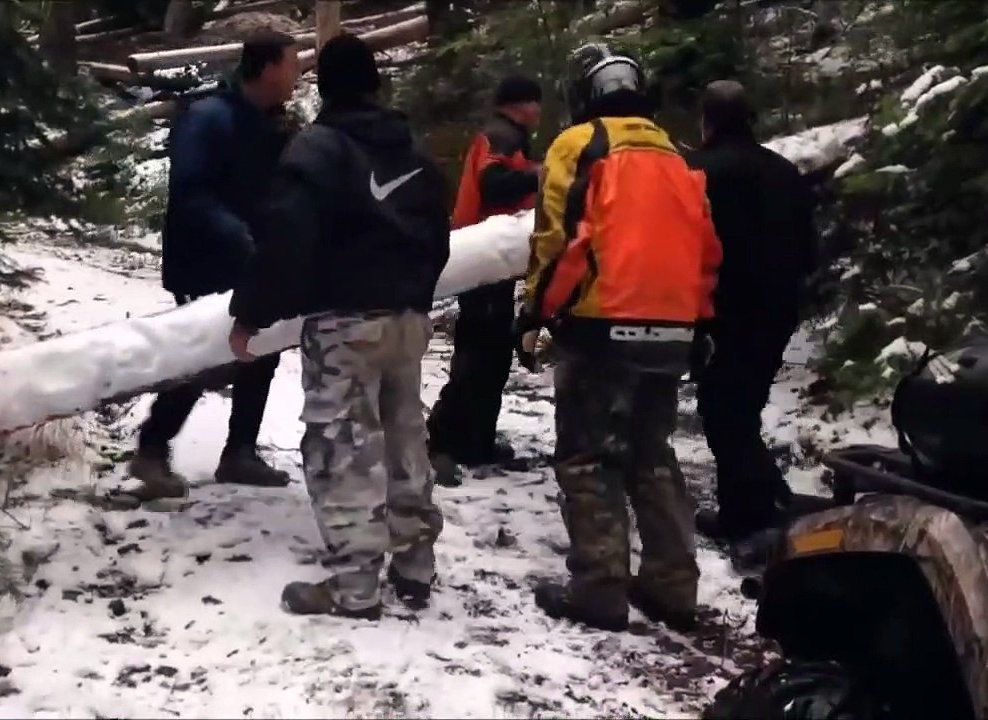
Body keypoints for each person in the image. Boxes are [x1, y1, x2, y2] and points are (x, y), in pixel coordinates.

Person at [227, 34, 452, 619]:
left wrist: (250, 314)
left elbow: (285, 240)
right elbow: (438, 238)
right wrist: (416, 300)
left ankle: (355, 585)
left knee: (343, 449)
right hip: (407, 319)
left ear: (323, 86)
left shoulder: (316, 151)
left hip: (344, 325)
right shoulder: (416, 154)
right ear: (375, 82)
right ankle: (414, 564)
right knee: (405, 438)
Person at [517, 44, 722, 632]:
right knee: (651, 455)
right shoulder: (679, 158)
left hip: (602, 324)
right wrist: (700, 322)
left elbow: (557, 239)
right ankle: (674, 585)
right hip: (672, 327)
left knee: (588, 457)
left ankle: (600, 588)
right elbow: (705, 253)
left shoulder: (579, 145)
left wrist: (536, 312)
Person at [128, 30, 302, 499]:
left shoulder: (272, 123)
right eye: (293, 64)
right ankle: (151, 447)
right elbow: (190, 192)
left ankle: (240, 452)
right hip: (204, 260)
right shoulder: (207, 118)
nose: (298, 74)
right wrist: (238, 235)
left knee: (261, 349)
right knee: (205, 356)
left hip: (255, 257)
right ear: (267, 68)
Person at [682, 80, 820, 543]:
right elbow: (809, 248)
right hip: (779, 307)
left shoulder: (698, 171)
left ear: (708, 123)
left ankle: (750, 514)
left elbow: (687, 245)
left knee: (724, 412)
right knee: (741, 406)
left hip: (725, 309)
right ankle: (762, 499)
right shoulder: (784, 171)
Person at [426, 75, 543, 487]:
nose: (540, 113)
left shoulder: (505, 136)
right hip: (481, 259)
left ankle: (475, 440)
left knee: (490, 354)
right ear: (521, 104)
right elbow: (492, 185)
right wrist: (538, 175)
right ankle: (442, 437)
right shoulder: (501, 136)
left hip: (491, 261)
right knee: (479, 354)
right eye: (536, 104)